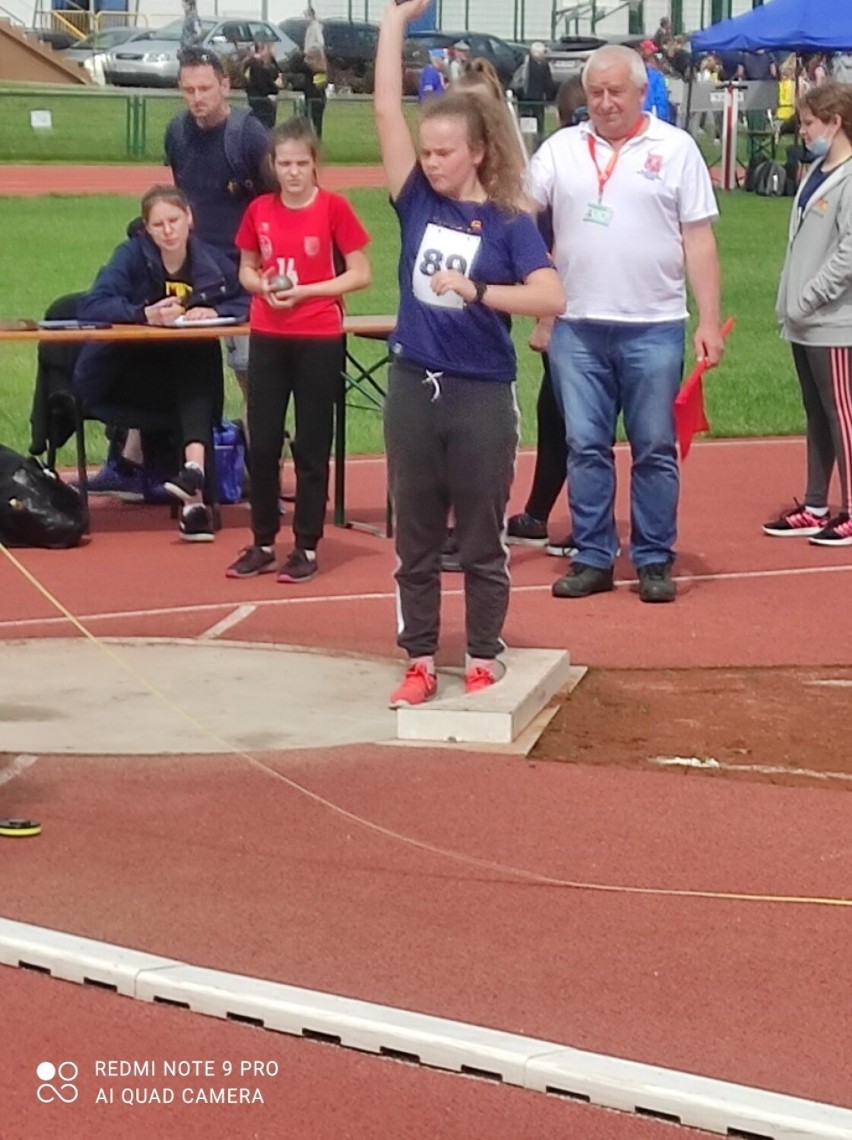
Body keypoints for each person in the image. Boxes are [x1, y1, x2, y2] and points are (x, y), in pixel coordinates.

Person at [374, 0, 565, 707]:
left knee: (481, 538)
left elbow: (551, 297)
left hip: (481, 389)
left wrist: (481, 289)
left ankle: (484, 653)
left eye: (445, 152)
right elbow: (388, 115)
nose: (432, 162)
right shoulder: (417, 200)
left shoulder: (511, 221)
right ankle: (419, 657)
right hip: (412, 384)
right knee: (416, 536)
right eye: (426, 152)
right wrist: (394, 23)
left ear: (478, 150)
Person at [527, 44, 724, 603]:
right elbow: (519, 210)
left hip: (654, 324)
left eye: (617, 92)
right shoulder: (561, 149)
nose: (606, 103)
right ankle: (593, 555)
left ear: (642, 93)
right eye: (596, 93)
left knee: (654, 445)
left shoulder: (676, 148)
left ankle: (654, 556)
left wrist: (707, 319)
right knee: (584, 444)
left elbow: (699, 239)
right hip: (579, 326)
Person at [227, 117, 371, 582]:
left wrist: (310, 291)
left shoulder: (333, 208)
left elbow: (360, 272)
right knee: (264, 441)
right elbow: (247, 268)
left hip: (317, 335)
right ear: (273, 165)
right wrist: (261, 285)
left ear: (315, 165)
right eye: (284, 163)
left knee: (312, 443)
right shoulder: (259, 211)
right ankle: (263, 539)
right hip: (268, 331)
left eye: (301, 163)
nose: (292, 172)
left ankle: (306, 545)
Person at [73, 185, 248, 541]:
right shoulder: (131, 256)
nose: (168, 230)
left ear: (190, 219)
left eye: (174, 220)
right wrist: (143, 314)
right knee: (193, 369)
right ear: (147, 229)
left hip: (181, 384)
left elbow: (250, 300)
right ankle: (195, 490)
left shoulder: (211, 262)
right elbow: (91, 305)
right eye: (158, 224)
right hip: (124, 376)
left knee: (193, 357)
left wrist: (215, 310)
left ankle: (193, 491)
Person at [507, 76, 590, 559]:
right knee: (558, 415)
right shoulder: (568, 161)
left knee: (575, 421)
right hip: (576, 309)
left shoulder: (564, 162)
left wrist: (545, 322)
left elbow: (553, 248)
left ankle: (583, 520)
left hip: (572, 314)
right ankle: (539, 513)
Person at [768, 82, 852, 547]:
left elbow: (848, 253)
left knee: (843, 412)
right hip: (804, 319)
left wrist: (811, 295)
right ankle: (816, 501)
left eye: (809, 123)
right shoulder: (818, 170)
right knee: (816, 412)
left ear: (835, 122)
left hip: (835, 320)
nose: (803, 132)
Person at [515, 41, 557, 144]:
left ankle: (526, 139)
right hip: (537, 97)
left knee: (525, 120)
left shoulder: (524, 62)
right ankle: (537, 140)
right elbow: (548, 83)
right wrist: (550, 97)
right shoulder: (543, 65)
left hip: (524, 96)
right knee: (538, 121)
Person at [244, 35, 282, 129]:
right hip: (260, 103)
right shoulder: (256, 65)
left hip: (266, 104)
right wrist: (275, 86)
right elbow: (264, 86)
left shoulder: (267, 64)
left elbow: (278, 72)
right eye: (271, 47)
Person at [302, 6, 328, 138]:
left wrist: (312, 51)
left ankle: (316, 137)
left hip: (313, 56)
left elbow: (320, 42)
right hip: (311, 57)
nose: (305, 18)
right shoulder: (309, 28)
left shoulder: (315, 27)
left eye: (306, 15)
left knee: (315, 114)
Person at [639, 40, 670, 122]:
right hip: (651, 113)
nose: (653, 54)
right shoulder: (656, 74)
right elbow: (661, 98)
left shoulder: (631, 71)